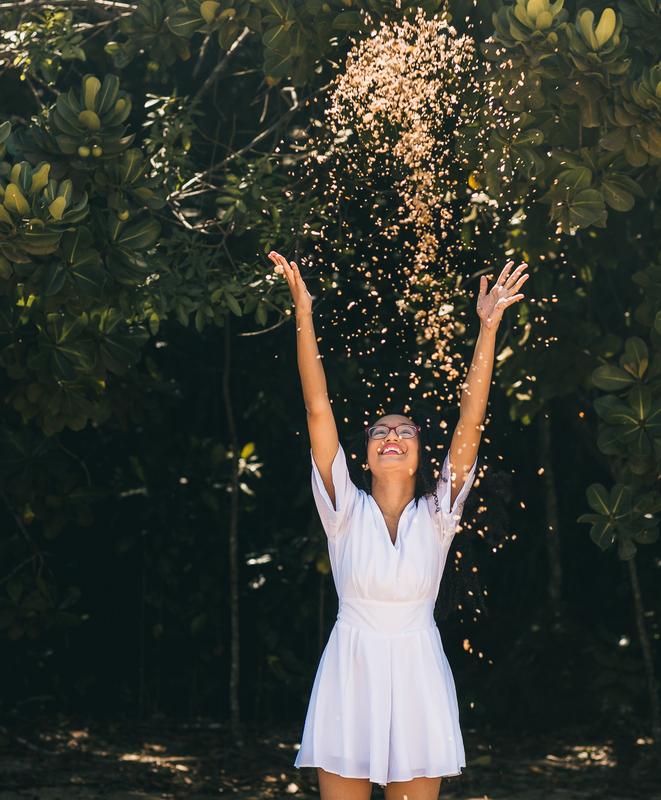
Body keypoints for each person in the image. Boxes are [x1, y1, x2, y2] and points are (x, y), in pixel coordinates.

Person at [269, 250, 528, 800]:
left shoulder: (439, 515)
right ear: (363, 454)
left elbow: (472, 420)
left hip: (417, 674)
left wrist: (488, 328)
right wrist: (304, 313)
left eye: (404, 430)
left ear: (419, 455)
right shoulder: (343, 511)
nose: (390, 435)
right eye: (379, 430)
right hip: (350, 671)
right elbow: (317, 409)